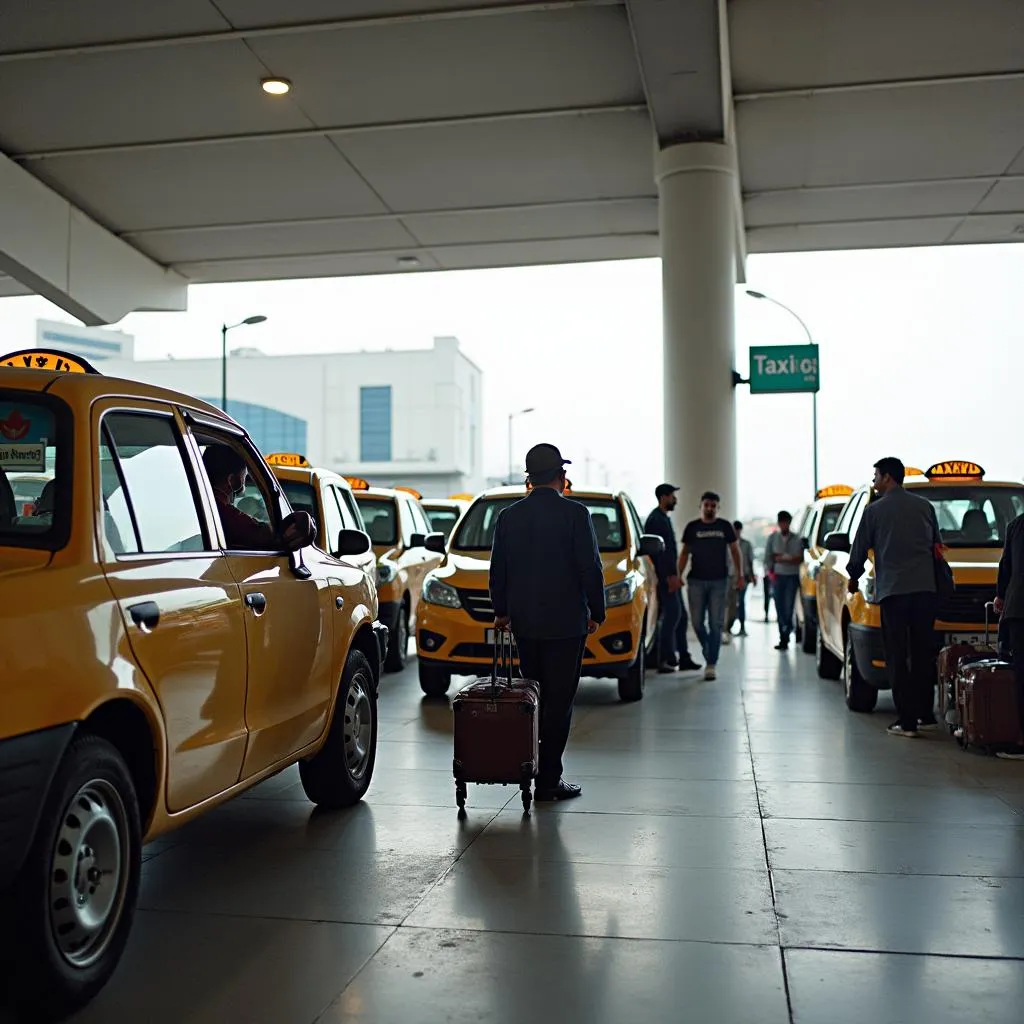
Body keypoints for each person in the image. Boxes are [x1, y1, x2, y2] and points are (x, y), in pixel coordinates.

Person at [490, 443, 606, 801]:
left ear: (529, 479)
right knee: (559, 701)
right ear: (562, 476)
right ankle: (549, 779)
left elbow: (499, 570)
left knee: (532, 696)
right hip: (567, 624)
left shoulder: (509, 516)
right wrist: (597, 611)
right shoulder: (575, 514)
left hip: (526, 622)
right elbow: (590, 567)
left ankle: (531, 767)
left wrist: (502, 611)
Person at [847, 457, 942, 738]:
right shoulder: (925, 507)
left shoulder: (874, 511)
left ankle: (907, 722)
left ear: (887, 477)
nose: (874, 481)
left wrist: (853, 577)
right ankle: (926, 714)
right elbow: (937, 545)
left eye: (876, 476)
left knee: (897, 655)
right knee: (923, 653)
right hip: (926, 591)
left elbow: (859, 548)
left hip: (894, 592)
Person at [679, 491, 744, 681]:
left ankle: (711, 663)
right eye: (706, 505)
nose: (710, 508)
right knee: (698, 622)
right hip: (695, 581)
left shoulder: (725, 526)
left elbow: (735, 550)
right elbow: (684, 554)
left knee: (716, 623)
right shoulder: (692, 527)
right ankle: (709, 650)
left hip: (719, 581)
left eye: (713, 505)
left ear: (718, 507)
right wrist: (678, 575)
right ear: (700, 506)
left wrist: (740, 575)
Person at [202, 444, 306, 551]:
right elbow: (268, 535)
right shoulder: (225, 513)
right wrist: (296, 524)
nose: (244, 483)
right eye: (244, 476)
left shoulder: (199, 505)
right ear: (231, 480)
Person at [644, 483, 701, 673]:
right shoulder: (656, 520)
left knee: (681, 617)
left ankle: (683, 657)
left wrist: (676, 575)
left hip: (670, 576)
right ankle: (664, 659)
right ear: (664, 497)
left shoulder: (663, 518)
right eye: (672, 496)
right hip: (665, 578)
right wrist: (669, 577)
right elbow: (659, 553)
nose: (675, 499)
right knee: (672, 616)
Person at [994, 512, 1024, 759]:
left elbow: (1007, 567)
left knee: (1022, 675)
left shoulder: (1017, 525)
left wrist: (1001, 596)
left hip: (1020, 609)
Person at [765, 511, 803, 650]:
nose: (784, 525)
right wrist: (771, 570)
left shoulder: (797, 539)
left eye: (786, 522)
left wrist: (781, 558)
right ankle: (783, 636)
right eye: (782, 522)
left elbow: (799, 558)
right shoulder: (773, 538)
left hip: (792, 577)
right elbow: (769, 557)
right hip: (777, 576)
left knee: (788, 606)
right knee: (779, 607)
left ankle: (787, 630)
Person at [726, 520, 756, 637]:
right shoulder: (726, 545)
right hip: (730, 577)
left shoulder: (746, 544)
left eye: (737, 531)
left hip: (743, 577)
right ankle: (729, 626)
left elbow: (750, 561)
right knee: (730, 603)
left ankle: (742, 626)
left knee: (742, 602)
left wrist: (752, 576)